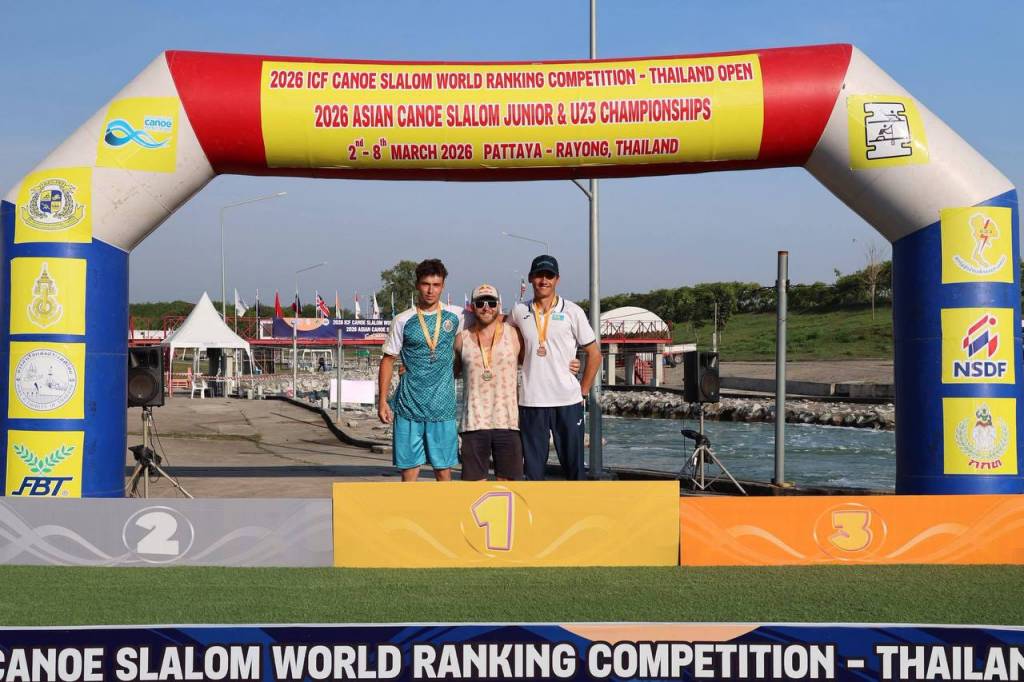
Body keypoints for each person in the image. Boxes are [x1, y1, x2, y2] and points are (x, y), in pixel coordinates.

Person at [508, 255, 601, 480]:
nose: (544, 280)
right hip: (532, 402)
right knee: (533, 473)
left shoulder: (573, 311)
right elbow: (502, 338)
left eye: (549, 276)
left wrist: (582, 391)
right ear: (531, 278)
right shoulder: (519, 311)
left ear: (557, 279)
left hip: (567, 401)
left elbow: (595, 354)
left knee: (574, 469)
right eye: (539, 275)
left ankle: (575, 503)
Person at [377, 259, 464, 482]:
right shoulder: (402, 320)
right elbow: (388, 360)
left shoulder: (457, 315)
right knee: (409, 472)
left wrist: (456, 369)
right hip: (409, 406)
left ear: (443, 286)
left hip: (442, 407)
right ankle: (409, 506)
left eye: (436, 285)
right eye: (426, 284)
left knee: (443, 471)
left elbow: (489, 321)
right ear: (417, 285)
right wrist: (382, 401)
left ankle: (445, 507)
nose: (430, 290)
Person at [454, 284, 523, 481]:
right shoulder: (461, 339)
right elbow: (449, 372)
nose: (486, 307)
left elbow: (536, 364)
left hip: (508, 423)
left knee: (509, 486)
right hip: (473, 424)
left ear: (499, 305)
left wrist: (571, 363)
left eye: (491, 303)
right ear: (472, 307)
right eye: (480, 303)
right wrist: (413, 367)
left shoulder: (514, 335)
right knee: (474, 487)